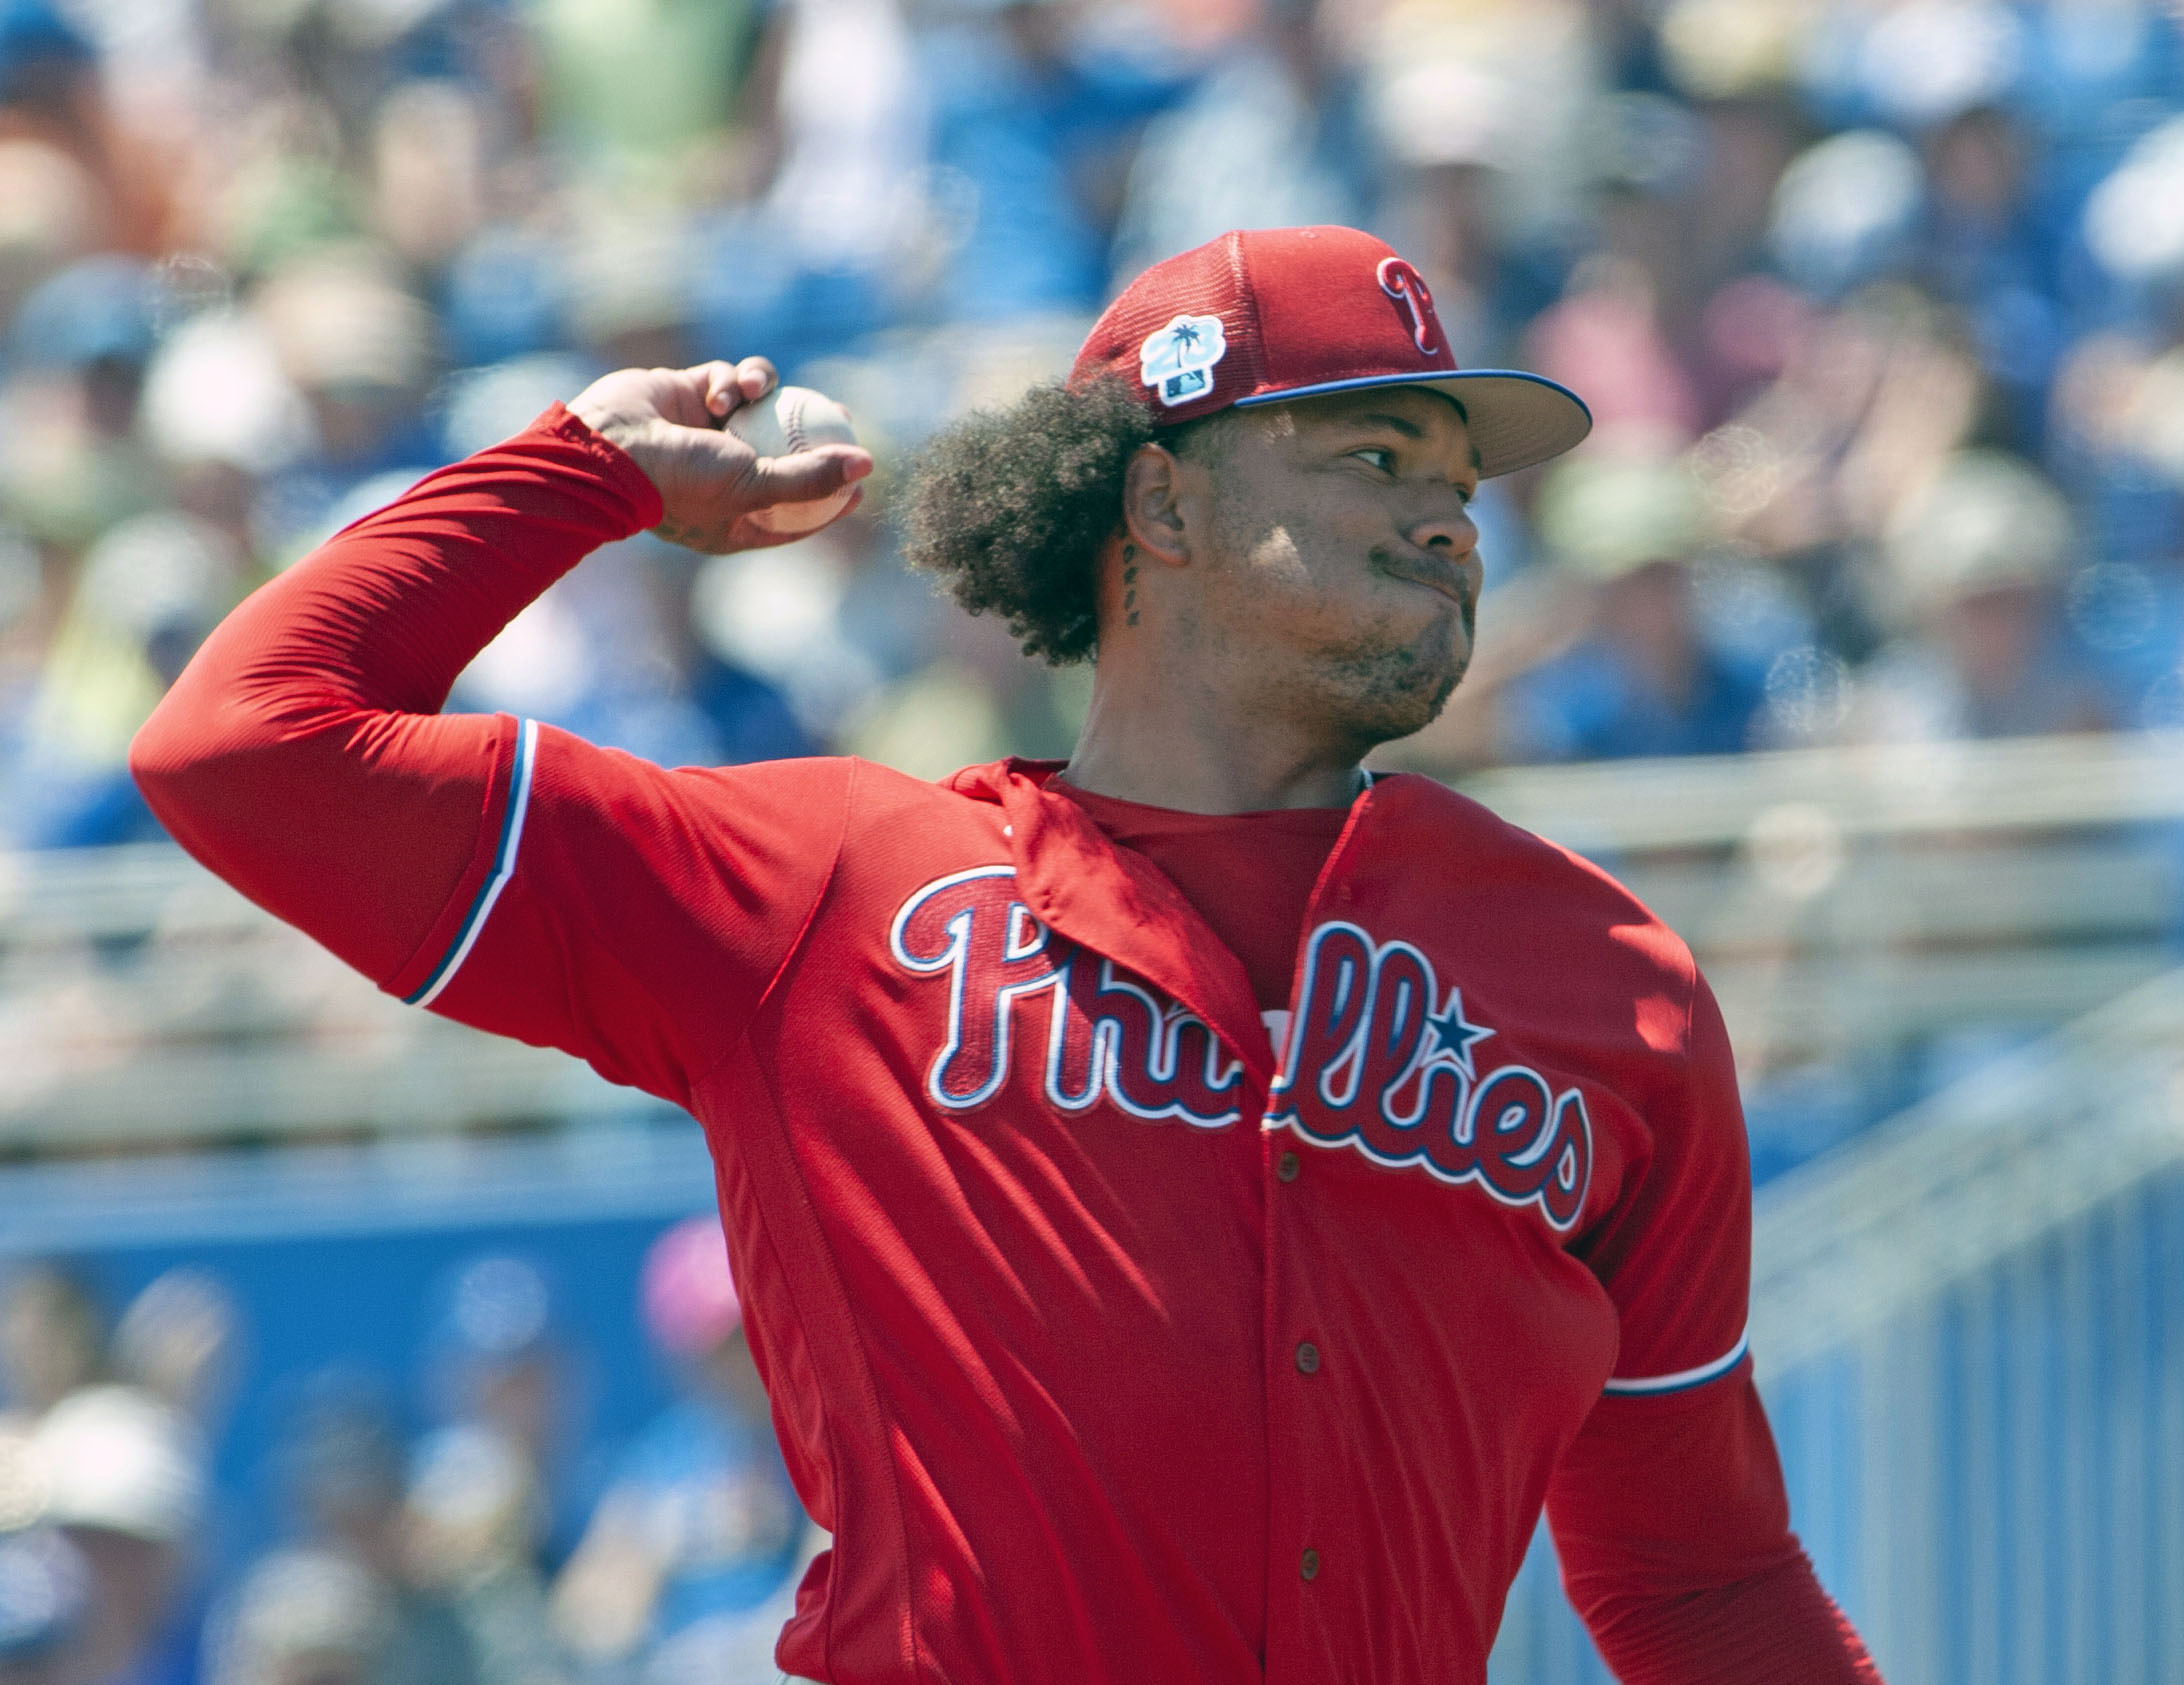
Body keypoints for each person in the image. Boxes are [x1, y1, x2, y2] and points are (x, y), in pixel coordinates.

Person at [130, 224, 1879, 1682]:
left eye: (1458, 477)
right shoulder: (816, 889)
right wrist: (574, 475)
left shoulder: (1606, 977)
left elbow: (1702, 1585)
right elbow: (242, 746)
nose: (1451, 518)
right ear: (1163, 509)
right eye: (1374, 454)